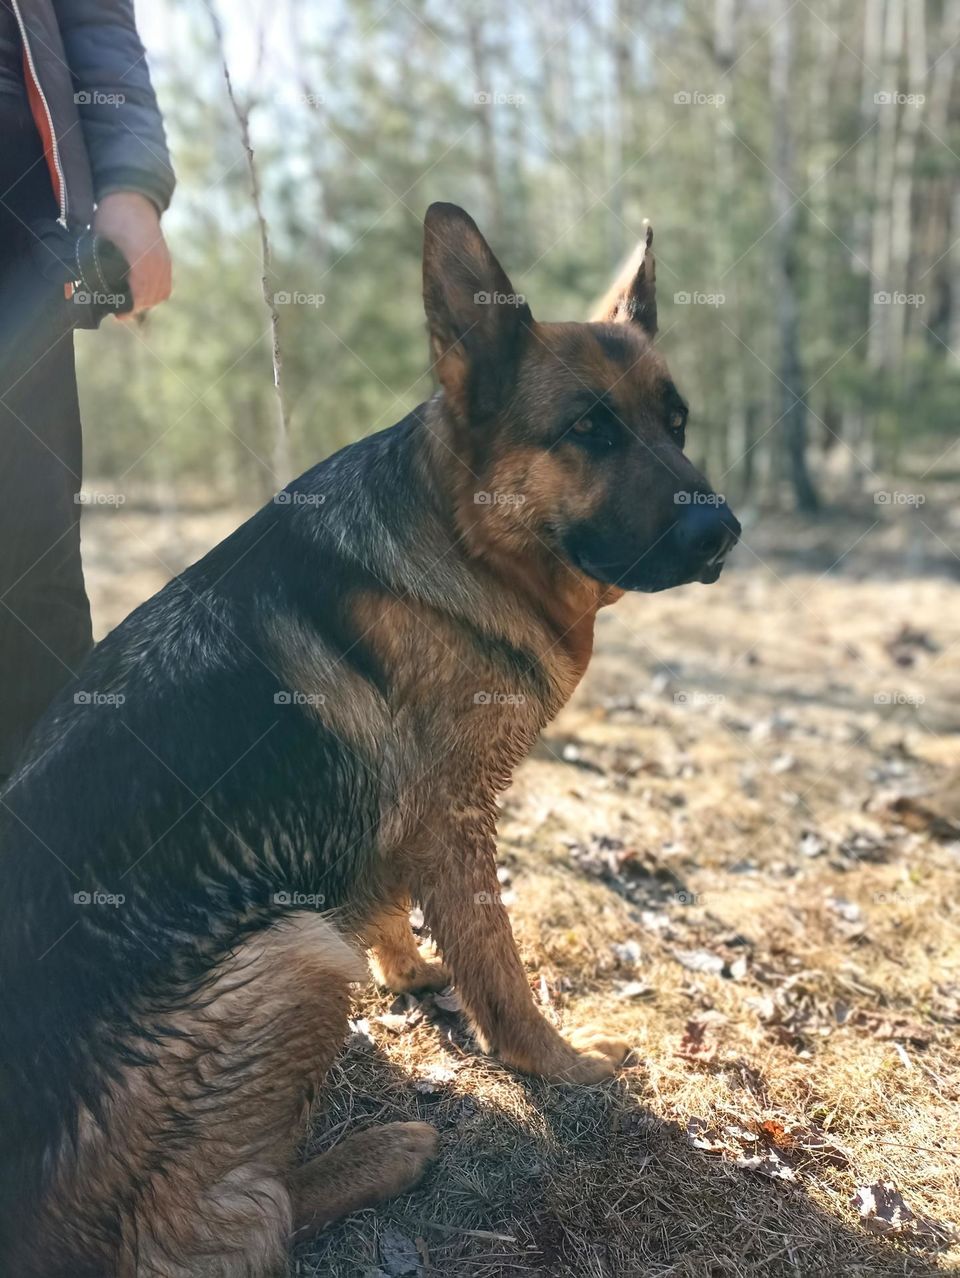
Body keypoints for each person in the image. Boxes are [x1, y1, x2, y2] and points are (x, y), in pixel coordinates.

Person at [0, 0, 174, 782]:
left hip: (18, 205)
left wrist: (132, 186)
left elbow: (97, 20)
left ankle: (46, 860)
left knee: (26, 556)